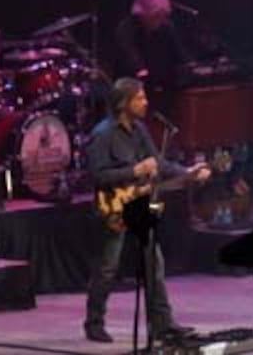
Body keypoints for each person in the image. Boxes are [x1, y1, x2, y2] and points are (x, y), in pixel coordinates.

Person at [83, 77, 209, 345]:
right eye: (139, 98)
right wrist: (135, 171)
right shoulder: (103, 134)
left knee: (154, 263)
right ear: (123, 103)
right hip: (114, 207)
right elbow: (96, 176)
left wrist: (187, 173)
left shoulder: (139, 129)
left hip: (140, 204)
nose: (146, 102)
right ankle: (94, 323)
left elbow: (158, 163)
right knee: (107, 268)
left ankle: (163, 324)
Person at [114, 0, 191, 110]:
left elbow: (181, 55)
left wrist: (189, 68)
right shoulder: (126, 29)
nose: (159, 21)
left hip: (164, 88)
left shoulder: (166, 28)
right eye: (156, 16)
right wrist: (142, 71)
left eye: (162, 16)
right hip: (133, 91)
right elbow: (131, 58)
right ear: (142, 14)